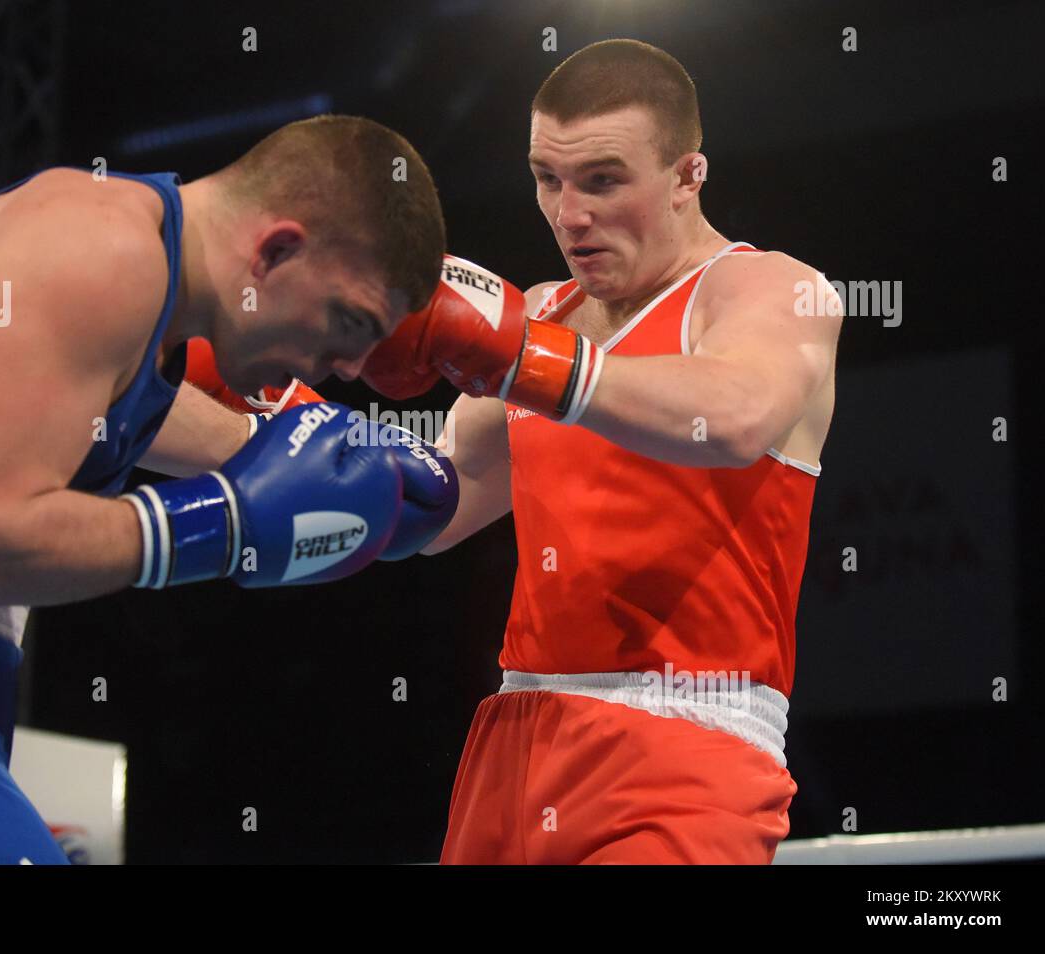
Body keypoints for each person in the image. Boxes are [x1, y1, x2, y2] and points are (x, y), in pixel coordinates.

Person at [0, 115, 454, 863]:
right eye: (350, 318)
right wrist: (223, 525)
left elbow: (111, 416)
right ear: (276, 248)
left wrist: (332, 462)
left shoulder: (138, 302)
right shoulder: (103, 250)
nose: (349, 365)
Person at [360, 39, 844, 863]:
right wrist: (242, 414)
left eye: (603, 180)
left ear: (690, 176)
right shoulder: (539, 315)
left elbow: (736, 414)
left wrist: (526, 362)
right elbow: (423, 506)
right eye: (547, 178)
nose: (568, 213)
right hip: (511, 747)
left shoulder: (762, 290)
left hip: (686, 747)